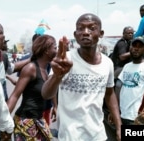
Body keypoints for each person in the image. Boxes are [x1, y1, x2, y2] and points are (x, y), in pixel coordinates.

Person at [41, 13, 121, 141]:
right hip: (70, 136)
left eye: (91, 28)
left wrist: (119, 125)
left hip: (98, 135)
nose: (85, 32)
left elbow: (109, 94)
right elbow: (46, 94)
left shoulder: (107, 63)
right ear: (75, 34)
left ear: (101, 33)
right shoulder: (64, 59)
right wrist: (57, 76)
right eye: (80, 28)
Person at [7, 34, 57, 140]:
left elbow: (50, 89)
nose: (56, 51)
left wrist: (55, 106)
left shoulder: (45, 69)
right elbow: (15, 95)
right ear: (47, 50)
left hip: (39, 119)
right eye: (55, 47)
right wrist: (4, 120)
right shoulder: (31, 68)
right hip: (26, 120)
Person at [118, 36, 144, 125]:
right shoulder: (127, 66)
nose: (136, 49)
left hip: (136, 116)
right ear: (130, 48)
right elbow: (119, 86)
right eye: (134, 46)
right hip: (123, 113)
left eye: (140, 46)